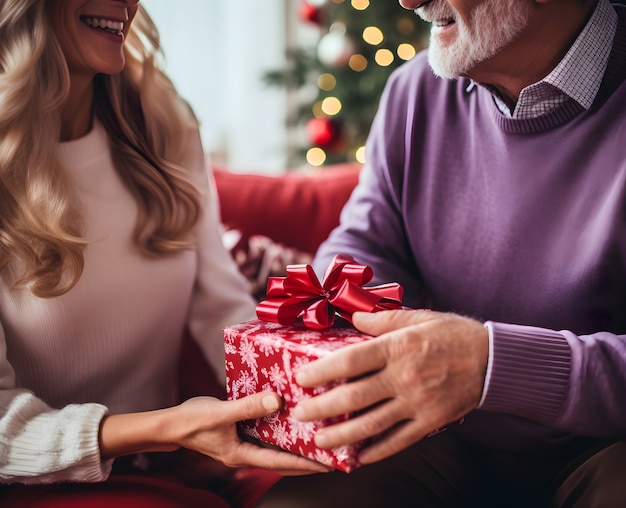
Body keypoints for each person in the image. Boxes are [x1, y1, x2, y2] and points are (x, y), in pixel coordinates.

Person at [257, 0, 626, 506]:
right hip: (440, 438)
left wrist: (492, 365)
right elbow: (364, 246)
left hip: (606, 446)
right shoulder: (415, 92)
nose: (408, 1)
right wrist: (320, 312)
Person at [0, 1, 328, 507]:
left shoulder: (164, 125)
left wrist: (309, 402)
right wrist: (171, 426)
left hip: (175, 462)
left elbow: (223, 309)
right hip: (39, 482)